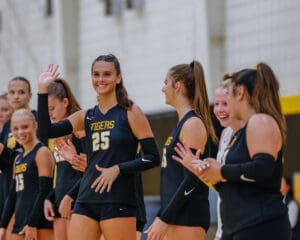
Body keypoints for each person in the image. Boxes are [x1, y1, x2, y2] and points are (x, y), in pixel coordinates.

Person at [37, 54, 160, 240]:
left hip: (118, 200)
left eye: (107, 74)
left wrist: (118, 169)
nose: (100, 79)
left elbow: (152, 157)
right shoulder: (86, 116)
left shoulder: (130, 112)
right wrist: (42, 90)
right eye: (96, 74)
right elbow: (46, 132)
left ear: (118, 77)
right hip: (86, 200)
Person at [173, 63, 291, 240]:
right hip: (238, 227)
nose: (224, 104)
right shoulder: (236, 134)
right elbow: (233, 185)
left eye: (228, 96)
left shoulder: (260, 121)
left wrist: (220, 170)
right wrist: (204, 171)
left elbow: (263, 169)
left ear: (241, 92)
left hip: (260, 225)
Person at [146, 60, 217, 240]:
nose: (163, 88)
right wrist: (162, 215)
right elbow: (173, 179)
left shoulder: (193, 124)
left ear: (177, 86)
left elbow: (191, 179)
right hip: (175, 216)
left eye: (165, 83)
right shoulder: (182, 124)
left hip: (188, 217)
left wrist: (164, 218)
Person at [0, 109, 54, 240]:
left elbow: (44, 190)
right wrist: (3, 226)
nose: (20, 132)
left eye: (25, 127)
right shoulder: (18, 159)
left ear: (35, 125)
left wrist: (32, 223)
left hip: (39, 222)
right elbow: (12, 195)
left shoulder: (41, 152)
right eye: (16, 128)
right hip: (20, 221)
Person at [42, 79, 86, 240]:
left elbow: (88, 171)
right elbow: (62, 174)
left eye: (52, 109)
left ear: (65, 102)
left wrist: (70, 196)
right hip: (60, 202)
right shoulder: (56, 133)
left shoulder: (80, 129)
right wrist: (50, 198)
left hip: (77, 201)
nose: (50, 114)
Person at [0, 77, 34, 240]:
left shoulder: (36, 119)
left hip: (31, 192)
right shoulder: (7, 125)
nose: (16, 96)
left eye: (21, 92)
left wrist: (4, 151)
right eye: (12, 92)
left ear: (30, 95)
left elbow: (34, 155)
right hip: (10, 190)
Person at [212, 79, 244, 240]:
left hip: (247, 223)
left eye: (225, 103)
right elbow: (222, 182)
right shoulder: (225, 134)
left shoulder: (253, 129)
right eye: (216, 104)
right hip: (225, 223)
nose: (219, 109)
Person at [281, 176, 300, 240]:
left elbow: (291, 224)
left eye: (281, 182)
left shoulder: (292, 204)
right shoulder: (278, 202)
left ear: (288, 187)